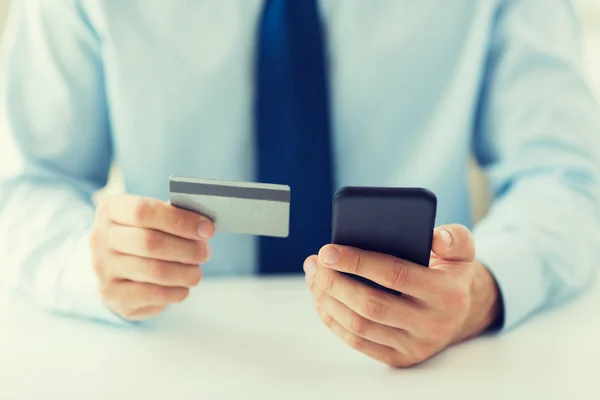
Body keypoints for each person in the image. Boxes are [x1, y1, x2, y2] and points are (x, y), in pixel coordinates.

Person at [0, 0, 599, 368]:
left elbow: (566, 175)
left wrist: (482, 292)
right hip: (173, 354)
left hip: (421, 371)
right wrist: (90, 263)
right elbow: (31, 180)